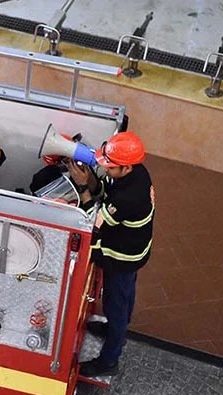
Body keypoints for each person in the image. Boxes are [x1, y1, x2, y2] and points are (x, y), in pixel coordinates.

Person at [67, 131, 154, 378]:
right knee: (126, 295)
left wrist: (82, 186)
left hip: (122, 257)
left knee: (115, 304)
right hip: (135, 249)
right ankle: (119, 327)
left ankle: (109, 359)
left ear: (125, 168)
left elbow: (94, 222)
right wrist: (92, 179)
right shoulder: (136, 173)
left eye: (110, 166)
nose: (106, 169)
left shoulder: (129, 198)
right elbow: (106, 188)